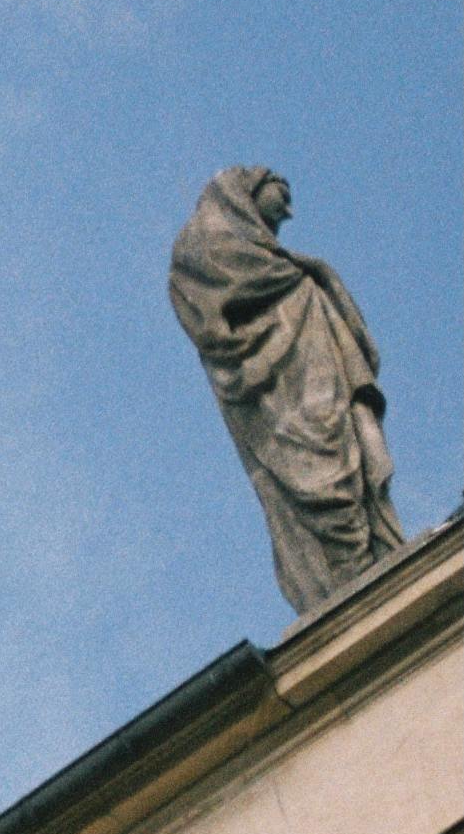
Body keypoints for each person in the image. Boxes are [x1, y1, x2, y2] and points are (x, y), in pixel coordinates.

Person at [168, 166, 404, 614]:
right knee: (312, 479)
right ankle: (346, 582)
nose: (289, 214)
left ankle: (370, 565)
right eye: (280, 202)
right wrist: (304, 276)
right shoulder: (202, 252)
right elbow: (211, 314)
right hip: (277, 398)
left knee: (353, 469)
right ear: (245, 197)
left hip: (322, 379)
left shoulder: (298, 278)